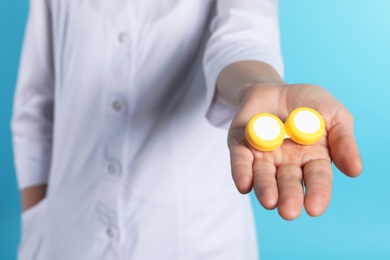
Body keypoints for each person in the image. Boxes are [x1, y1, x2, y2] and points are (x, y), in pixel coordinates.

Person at [11, 0, 362, 259]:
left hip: (194, 241)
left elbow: (243, 40)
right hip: (66, 237)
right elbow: (36, 105)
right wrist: (36, 223)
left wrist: (259, 86)